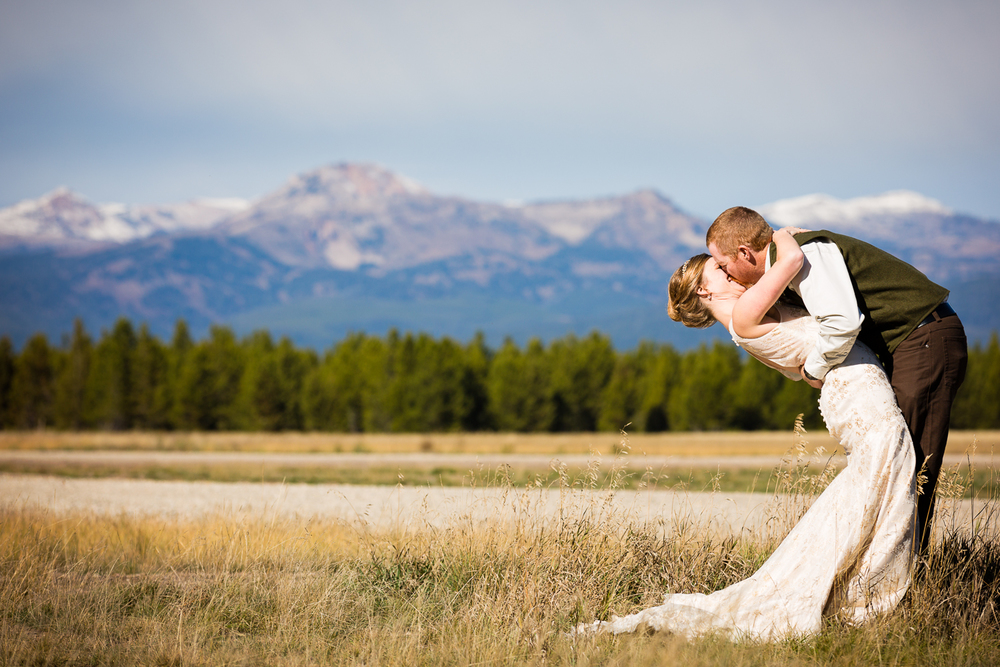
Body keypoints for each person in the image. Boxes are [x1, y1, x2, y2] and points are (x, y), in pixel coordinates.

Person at [574, 228, 917, 640]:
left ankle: (856, 589)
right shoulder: (743, 316)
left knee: (880, 486)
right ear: (704, 292)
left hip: (852, 389)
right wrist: (781, 232)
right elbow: (788, 261)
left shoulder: (747, 316)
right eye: (717, 269)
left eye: (722, 264)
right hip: (856, 393)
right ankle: (866, 597)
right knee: (886, 481)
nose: (727, 269)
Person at [706, 206, 967, 552]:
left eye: (724, 265)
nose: (729, 274)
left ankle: (910, 571)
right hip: (908, 345)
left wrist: (813, 370)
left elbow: (842, 323)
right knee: (896, 464)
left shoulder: (808, 253)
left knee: (912, 465)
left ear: (743, 253)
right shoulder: (789, 258)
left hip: (923, 340)